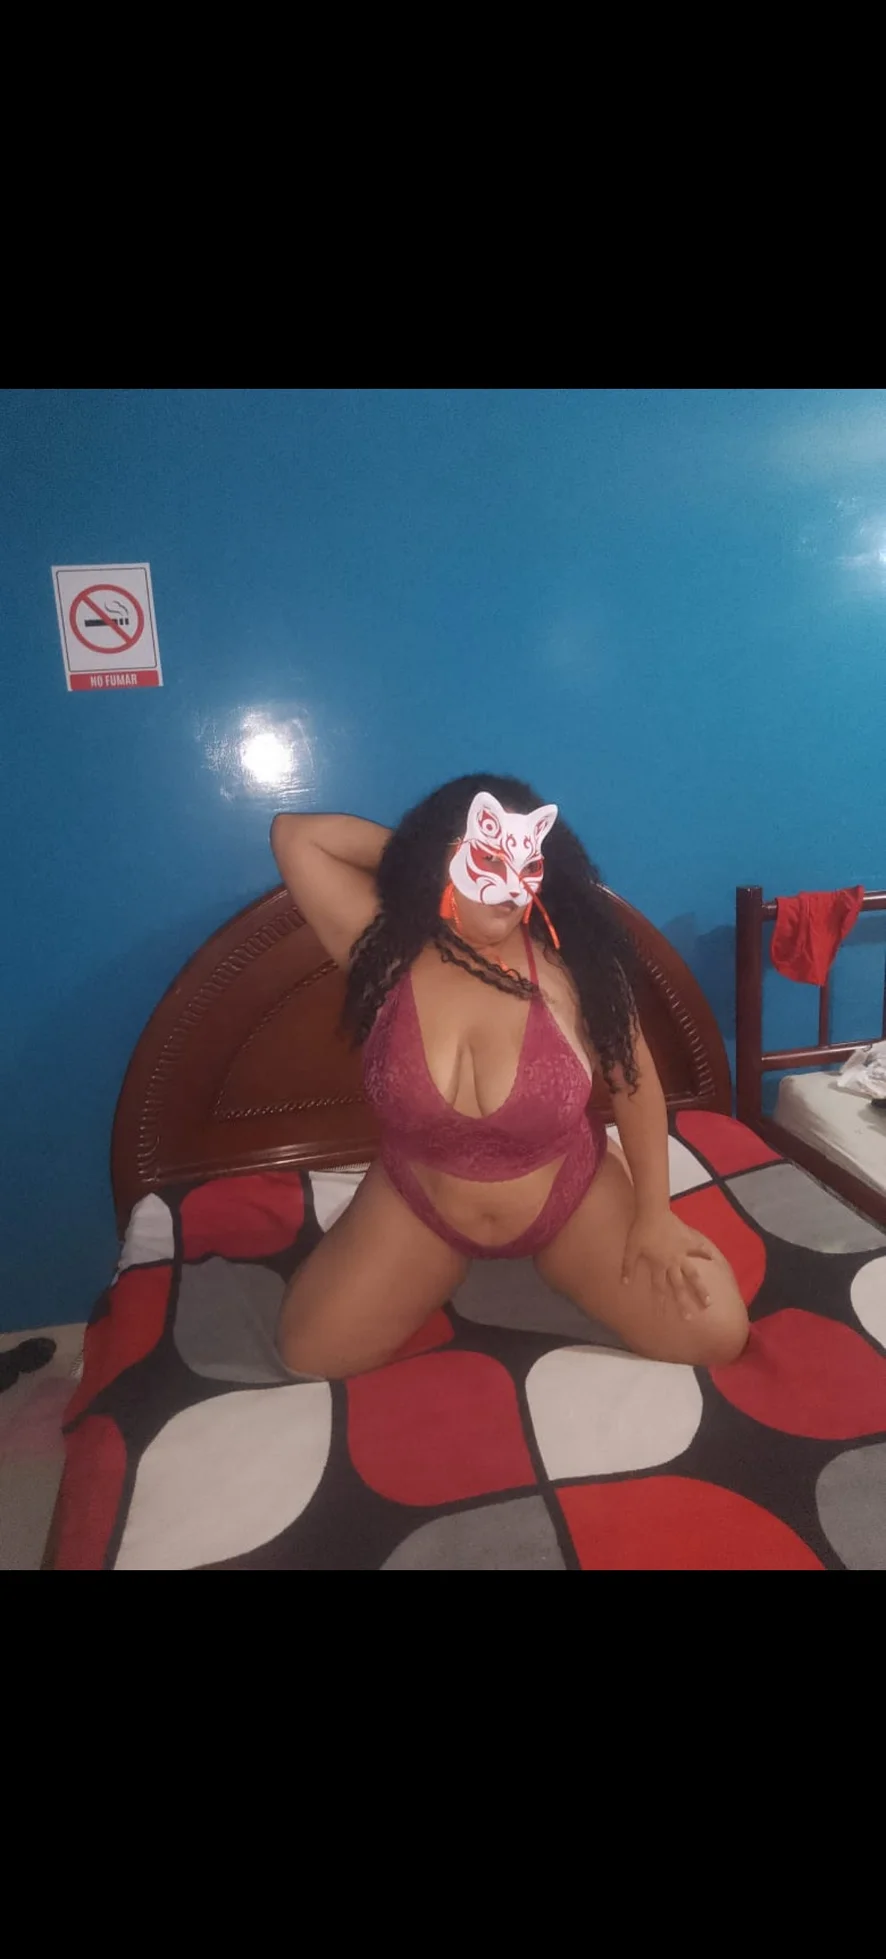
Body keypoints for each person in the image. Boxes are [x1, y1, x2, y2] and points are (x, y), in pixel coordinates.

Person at [271, 774, 749, 1378]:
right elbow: (296, 836)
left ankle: (584, 1227)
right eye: (490, 861)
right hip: (422, 1200)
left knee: (716, 1333)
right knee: (310, 1355)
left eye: (527, 866)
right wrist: (427, 856)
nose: (509, 888)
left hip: (568, 1195)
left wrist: (655, 1216)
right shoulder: (383, 949)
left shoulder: (574, 966)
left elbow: (634, 1084)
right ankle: (437, 1265)